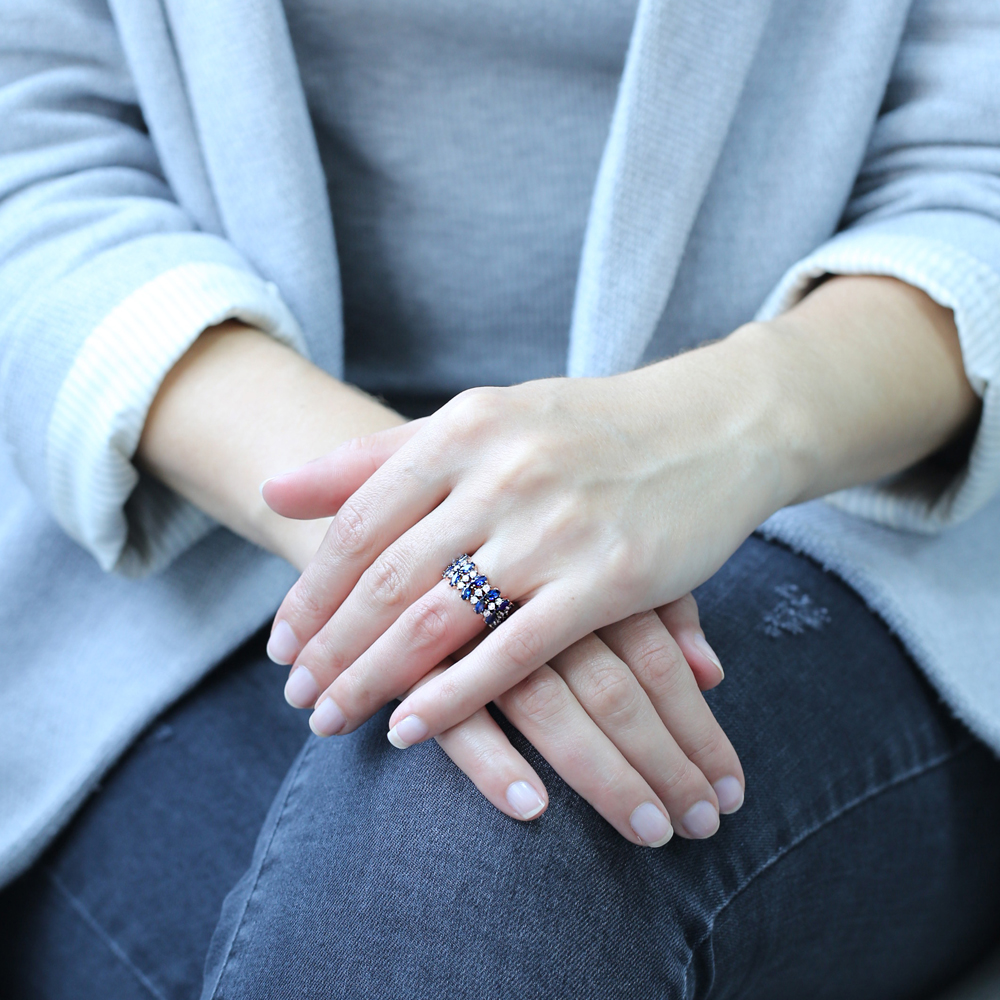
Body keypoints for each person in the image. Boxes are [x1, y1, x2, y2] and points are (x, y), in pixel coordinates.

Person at [1, 0, 1000, 996]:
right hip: (194, 531)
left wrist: (713, 430)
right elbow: (32, 153)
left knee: (512, 814)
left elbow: (974, 177)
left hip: (835, 498)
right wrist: (409, 525)